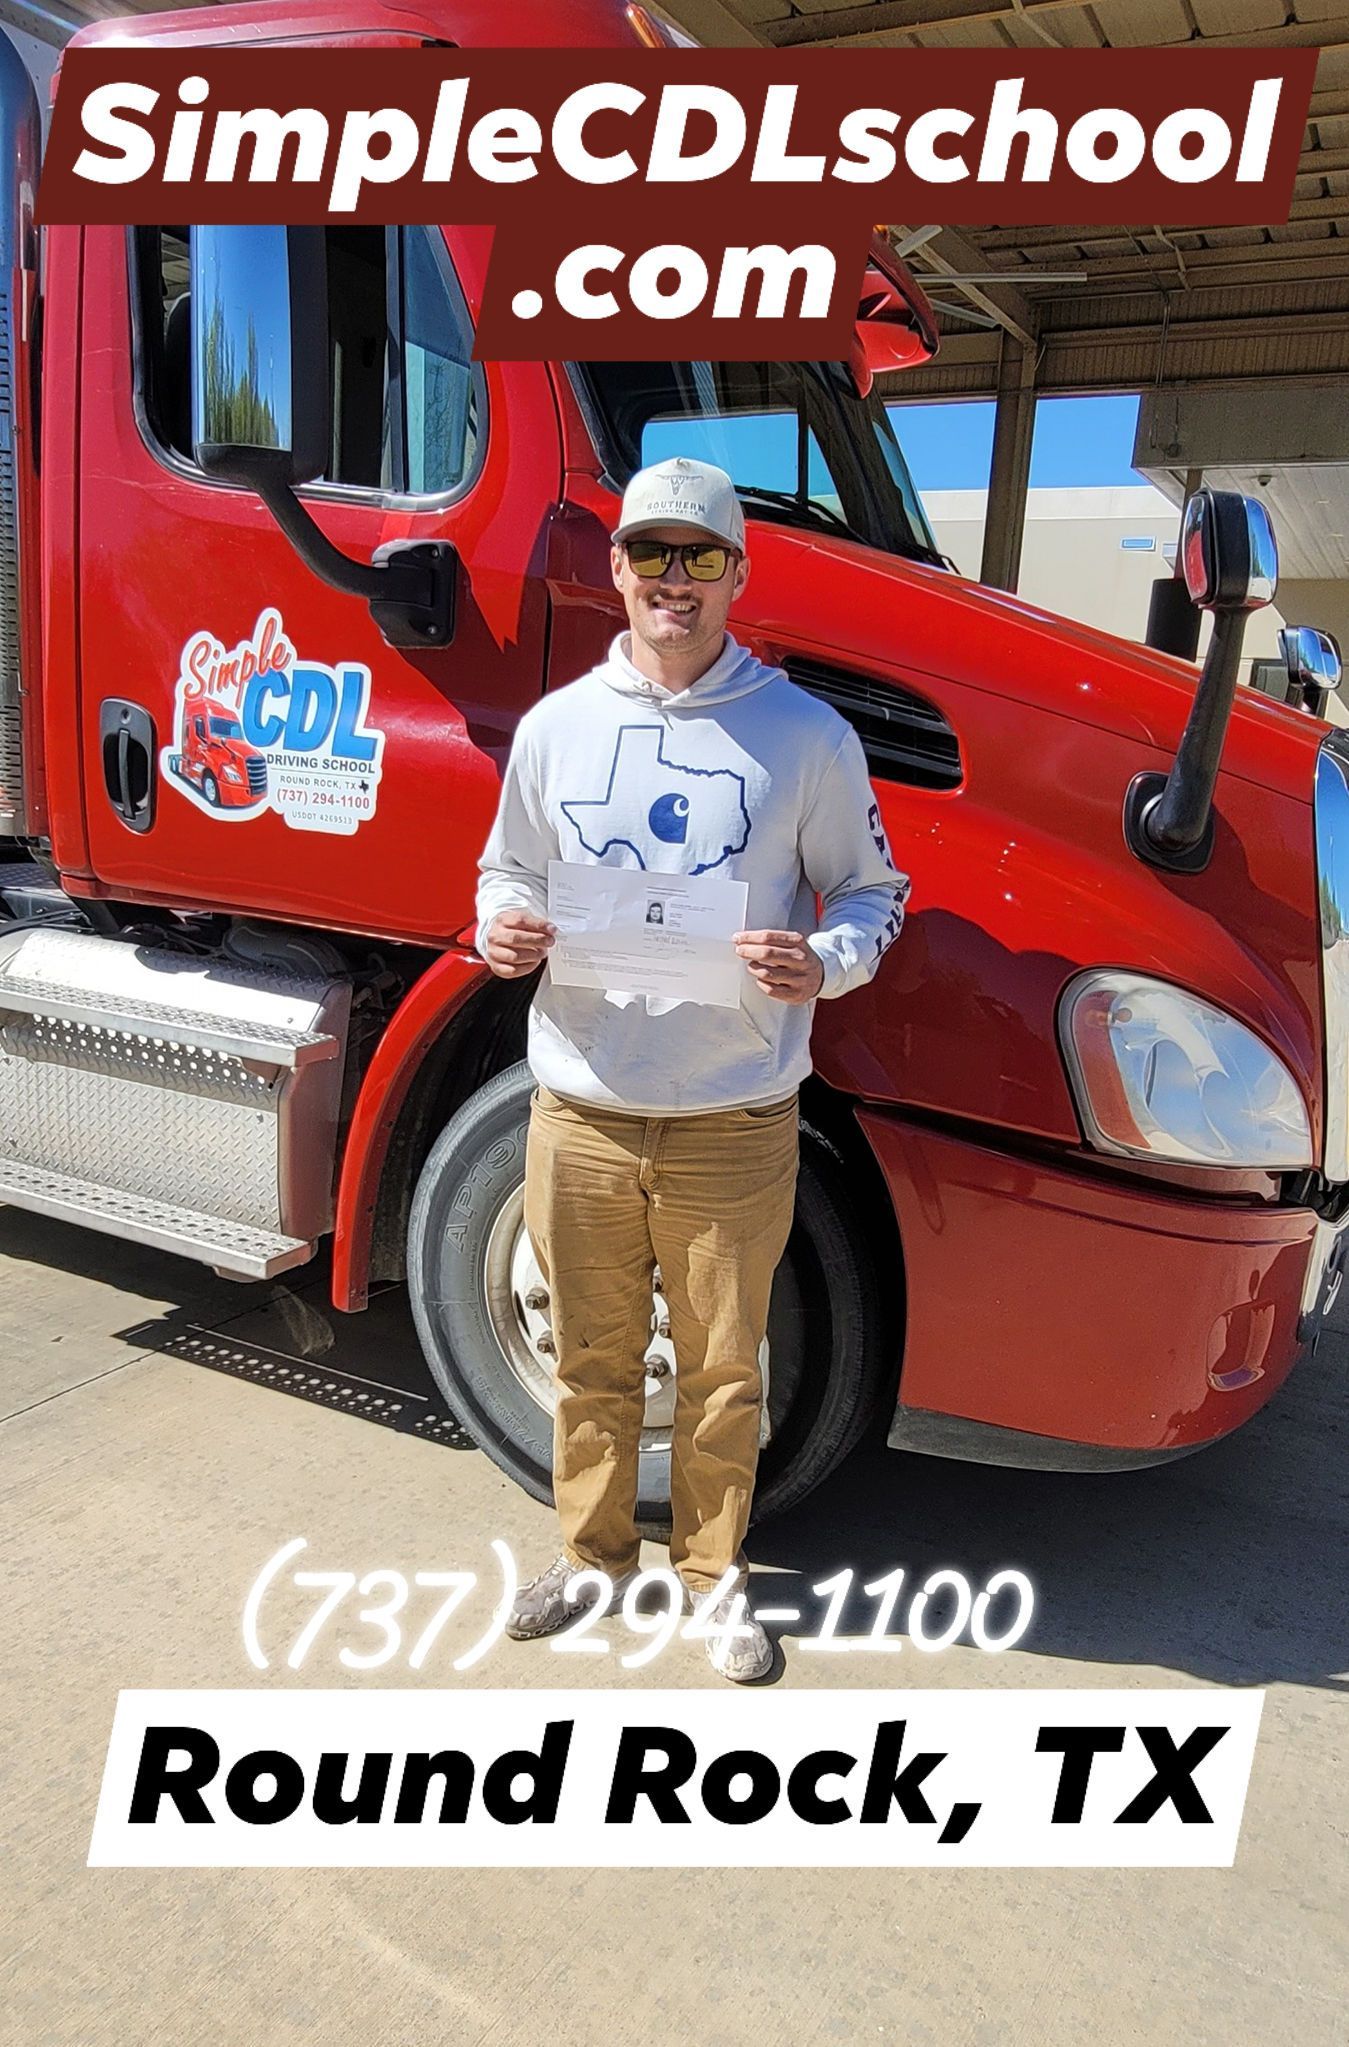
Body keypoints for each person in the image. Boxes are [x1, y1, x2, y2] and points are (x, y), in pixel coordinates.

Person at [475, 455, 910, 1682]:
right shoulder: (557, 728)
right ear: (614, 568)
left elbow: (876, 895)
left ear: (737, 574)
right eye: (651, 553)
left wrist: (822, 961)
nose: (675, 579)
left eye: (701, 556)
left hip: (732, 1115)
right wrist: (497, 926)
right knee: (590, 1357)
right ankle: (592, 1554)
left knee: (724, 1369)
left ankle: (714, 1581)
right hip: (583, 1107)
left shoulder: (803, 736)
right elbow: (504, 870)